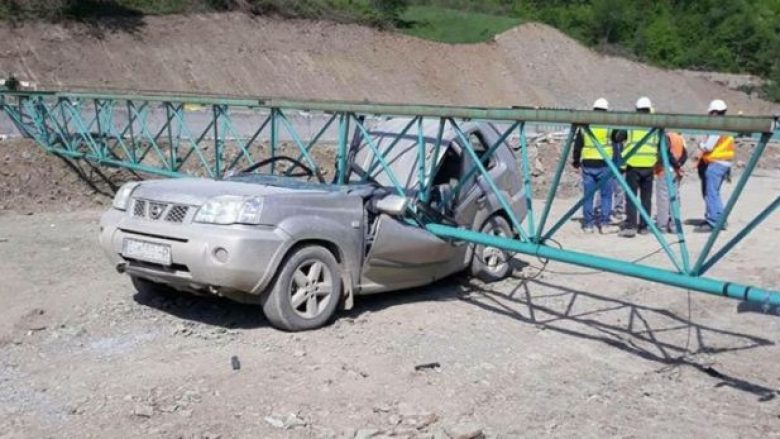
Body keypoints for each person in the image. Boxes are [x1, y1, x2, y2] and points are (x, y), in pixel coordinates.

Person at [572, 98, 618, 234]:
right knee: (606, 195)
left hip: (588, 164)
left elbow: (578, 145)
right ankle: (604, 223)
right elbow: (618, 141)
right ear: (606, 110)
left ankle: (588, 225)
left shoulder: (586, 125)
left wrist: (576, 160)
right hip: (605, 163)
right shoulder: (609, 125)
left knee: (588, 196)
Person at [619, 97, 659, 238]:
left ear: (636, 109)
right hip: (649, 165)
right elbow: (661, 143)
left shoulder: (631, 123)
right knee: (646, 198)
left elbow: (618, 137)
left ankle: (631, 226)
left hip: (633, 165)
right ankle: (644, 226)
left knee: (631, 197)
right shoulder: (655, 124)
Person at [695, 99, 734, 232]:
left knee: (711, 193)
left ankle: (713, 221)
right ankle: (718, 219)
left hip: (716, 164)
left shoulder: (717, 127)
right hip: (724, 163)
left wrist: (700, 144)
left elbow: (708, 147)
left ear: (715, 112)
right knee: (714, 193)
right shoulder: (727, 125)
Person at [655, 132, 688, 233]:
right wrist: (679, 165)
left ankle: (662, 226)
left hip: (664, 170)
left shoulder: (666, 136)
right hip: (675, 172)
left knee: (663, 200)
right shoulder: (680, 137)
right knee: (675, 199)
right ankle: (675, 226)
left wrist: (675, 164)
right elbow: (685, 155)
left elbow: (666, 153)